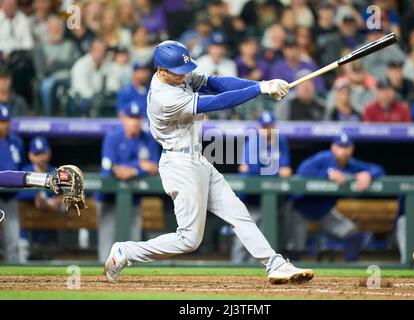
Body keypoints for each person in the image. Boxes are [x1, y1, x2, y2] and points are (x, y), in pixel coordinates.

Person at [104, 40, 314, 285]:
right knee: (189, 240)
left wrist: (262, 84)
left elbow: (217, 84)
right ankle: (125, 252)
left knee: (238, 212)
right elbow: (216, 102)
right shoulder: (165, 98)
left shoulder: (175, 74)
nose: (185, 75)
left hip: (197, 158)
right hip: (179, 164)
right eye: (178, 72)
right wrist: (260, 91)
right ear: (161, 72)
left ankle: (274, 263)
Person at [286, 134, 385, 261]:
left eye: (347, 147)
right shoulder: (324, 158)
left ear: (352, 149)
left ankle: (351, 270)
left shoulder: (350, 164)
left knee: (351, 233)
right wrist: (327, 174)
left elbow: (378, 169)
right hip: (301, 209)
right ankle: (292, 272)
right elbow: (302, 170)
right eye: (340, 147)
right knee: (295, 247)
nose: (343, 151)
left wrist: (368, 174)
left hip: (325, 212)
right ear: (333, 147)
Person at [95, 102, 161, 262]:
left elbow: (155, 167)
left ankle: (131, 281)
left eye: (138, 117)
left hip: (134, 200)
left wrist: (132, 170)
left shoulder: (148, 139)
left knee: (133, 243)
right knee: (107, 243)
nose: (135, 121)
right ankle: (104, 279)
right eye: (131, 117)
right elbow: (110, 168)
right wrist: (139, 165)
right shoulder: (113, 137)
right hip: (108, 199)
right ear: (123, 118)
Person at [231, 111, 292, 263]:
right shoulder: (253, 141)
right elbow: (251, 170)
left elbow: (286, 169)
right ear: (259, 127)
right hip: (250, 199)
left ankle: (255, 273)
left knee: (264, 239)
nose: (268, 130)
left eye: (270, 126)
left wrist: (272, 169)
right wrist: (276, 170)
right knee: (244, 238)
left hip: (270, 202)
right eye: (265, 127)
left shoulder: (281, 141)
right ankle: (234, 269)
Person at [16, 136, 62, 263]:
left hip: (49, 234)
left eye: (43, 152)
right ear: (30, 155)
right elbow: (15, 194)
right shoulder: (24, 172)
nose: (41, 157)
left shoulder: (56, 173)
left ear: (49, 153)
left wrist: (61, 199)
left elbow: (78, 191)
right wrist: (35, 197)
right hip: (25, 235)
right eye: (37, 153)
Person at [33, 15, 80, 116]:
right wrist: (65, 63)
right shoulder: (40, 47)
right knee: (46, 86)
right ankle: (48, 116)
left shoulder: (71, 45)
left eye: (59, 28)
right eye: (53, 28)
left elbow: (77, 64)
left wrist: (55, 63)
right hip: (50, 78)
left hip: (69, 79)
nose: (56, 30)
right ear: (48, 29)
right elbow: (41, 69)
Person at [0, 103, 25, 262]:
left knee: (12, 243)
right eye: (1, 121)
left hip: (11, 198)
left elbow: (21, 169)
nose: (4, 125)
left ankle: (11, 280)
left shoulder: (17, 142)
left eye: (6, 121)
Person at [68, 39, 109, 116]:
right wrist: (96, 97)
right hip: (80, 99)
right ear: (91, 50)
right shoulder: (81, 64)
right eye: (96, 50)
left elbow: (112, 83)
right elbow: (82, 88)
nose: (99, 53)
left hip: (99, 97)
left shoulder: (106, 64)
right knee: (88, 102)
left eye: (102, 50)